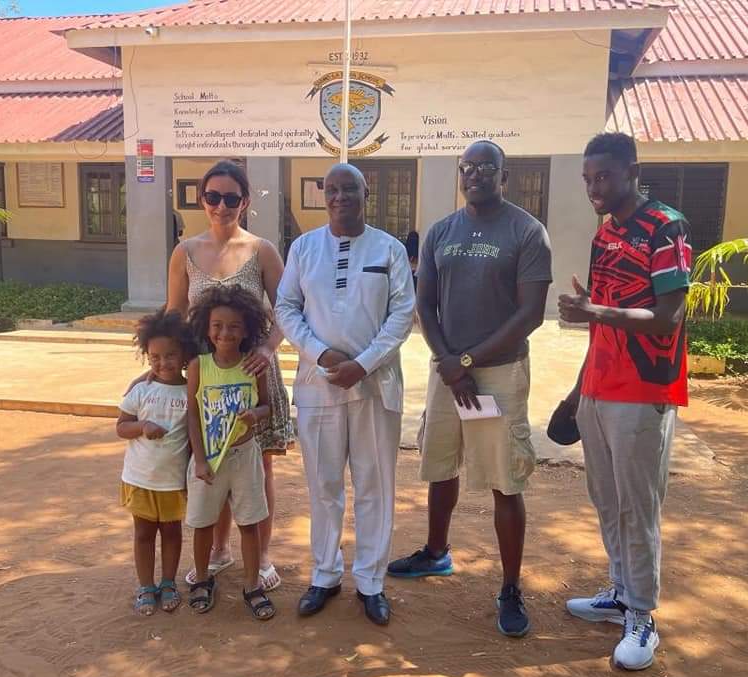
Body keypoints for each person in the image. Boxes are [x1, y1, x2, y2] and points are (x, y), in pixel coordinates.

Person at [387, 141, 552, 638]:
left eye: (486, 168)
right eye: (467, 167)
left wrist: (467, 361)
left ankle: (509, 586)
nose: (475, 174)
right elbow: (426, 304)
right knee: (442, 464)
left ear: (506, 177)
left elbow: (530, 315)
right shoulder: (441, 231)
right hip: (450, 376)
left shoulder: (526, 231)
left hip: (496, 375)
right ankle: (437, 552)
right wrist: (448, 363)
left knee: (504, 478)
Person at [557, 132, 691, 671]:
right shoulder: (605, 231)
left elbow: (668, 315)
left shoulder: (667, 226)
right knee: (607, 500)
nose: (594, 187)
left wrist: (596, 315)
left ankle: (643, 615)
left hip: (644, 389)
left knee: (639, 506)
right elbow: (601, 314)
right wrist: (576, 389)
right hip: (599, 387)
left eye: (603, 176)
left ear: (631, 170)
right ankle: (619, 591)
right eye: (587, 178)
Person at [275, 163, 415, 626]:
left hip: (375, 387)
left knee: (375, 487)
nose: (340, 197)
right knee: (324, 486)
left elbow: (402, 314)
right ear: (323, 194)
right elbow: (285, 306)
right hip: (319, 387)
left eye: (348, 188)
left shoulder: (389, 249)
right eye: (331, 190)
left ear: (366, 191)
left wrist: (363, 364)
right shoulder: (303, 248)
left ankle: (371, 582)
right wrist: (319, 353)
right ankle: (325, 574)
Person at [166, 160, 290, 593]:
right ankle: (218, 551)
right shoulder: (184, 252)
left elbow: (287, 311)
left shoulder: (262, 250)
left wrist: (265, 349)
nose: (222, 205)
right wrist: (170, 363)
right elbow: (175, 313)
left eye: (231, 197)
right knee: (212, 463)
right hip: (207, 376)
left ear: (245, 202)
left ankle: (264, 552)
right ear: (202, 200)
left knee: (259, 466)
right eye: (213, 196)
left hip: (253, 373)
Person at [184, 285, 275, 621]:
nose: (225, 332)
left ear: (248, 329)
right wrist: (200, 457)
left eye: (234, 326)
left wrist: (257, 414)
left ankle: (253, 585)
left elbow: (266, 405)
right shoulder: (198, 366)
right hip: (209, 458)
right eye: (217, 325)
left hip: (244, 456)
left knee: (250, 523)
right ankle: (203, 578)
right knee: (203, 523)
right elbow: (192, 413)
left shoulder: (253, 366)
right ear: (206, 328)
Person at [116, 309, 196, 616]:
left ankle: (168, 583)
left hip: (173, 481)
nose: (163, 363)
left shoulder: (192, 391)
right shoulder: (142, 389)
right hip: (140, 478)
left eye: (171, 355)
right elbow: (121, 426)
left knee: (173, 533)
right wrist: (142, 427)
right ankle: (146, 586)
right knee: (144, 534)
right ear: (147, 356)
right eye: (155, 357)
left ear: (185, 353)